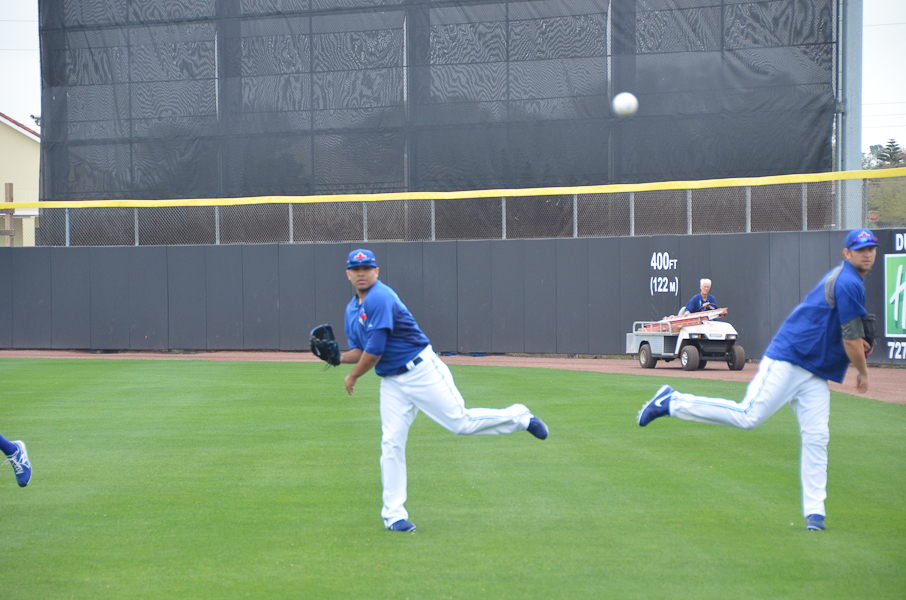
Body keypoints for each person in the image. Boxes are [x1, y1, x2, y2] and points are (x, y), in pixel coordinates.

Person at [637, 229, 879, 532]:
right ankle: (672, 401)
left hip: (815, 371)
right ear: (847, 254)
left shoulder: (852, 282)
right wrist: (864, 372)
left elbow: (848, 335)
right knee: (747, 415)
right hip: (789, 359)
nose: (867, 253)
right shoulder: (847, 282)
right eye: (860, 249)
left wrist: (857, 346)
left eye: (871, 248)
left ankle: (815, 514)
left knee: (817, 437)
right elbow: (852, 341)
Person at [339, 249, 549, 533]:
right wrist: (336, 358)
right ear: (348, 274)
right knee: (391, 444)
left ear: (377, 272)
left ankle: (520, 417)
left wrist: (352, 376)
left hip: (421, 370)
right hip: (392, 382)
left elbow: (374, 352)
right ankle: (394, 516)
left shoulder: (381, 297)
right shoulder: (352, 310)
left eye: (367, 268)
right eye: (356, 269)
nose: (362, 273)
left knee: (460, 422)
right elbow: (359, 350)